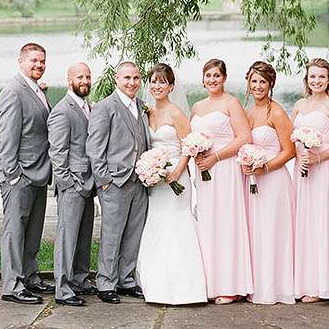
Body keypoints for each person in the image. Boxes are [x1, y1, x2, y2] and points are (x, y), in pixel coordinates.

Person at [136, 64, 207, 305]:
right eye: (153, 82)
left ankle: (184, 288)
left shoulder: (176, 113)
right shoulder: (147, 112)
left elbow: (189, 145)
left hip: (177, 177)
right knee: (157, 226)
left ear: (171, 86)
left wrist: (177, 170)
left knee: (177, 226)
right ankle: (156, 285)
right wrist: (150, 168)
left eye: (162, 82)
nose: (157, 86)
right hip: (155, 180)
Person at [86, 61, 151, 304]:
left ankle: (126, 280)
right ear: (116, 79)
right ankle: (106, 283)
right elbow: (95, 148)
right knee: (112, 235)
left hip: (140, 181)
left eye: (135, 78)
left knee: (134, 233)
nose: (132, 82)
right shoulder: (104, 107)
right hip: (115, 182)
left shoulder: (142, 106)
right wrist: (104, 181)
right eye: (127, 78)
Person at [189, 59, 253, 305]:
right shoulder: (196, 107)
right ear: (202, 79)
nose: (212, 80)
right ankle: (209, 282)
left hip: (225, 170)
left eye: (216, 75)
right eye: (208, 75)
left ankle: (230, 285)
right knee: (207, 224)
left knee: (226, 224)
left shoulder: (231, 103)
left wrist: (216, 156)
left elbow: (244, 136)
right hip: (204, 174)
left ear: (224, 78)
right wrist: (196, 153)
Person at [0, 42, 55, 304]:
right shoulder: (13, 91)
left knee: (32, 230)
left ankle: (30, 276)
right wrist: (12, 175)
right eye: (33, 61)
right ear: (20, 62)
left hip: (39, 172)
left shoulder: (36, 90)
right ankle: (13, 285)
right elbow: (7, 138)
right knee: (15, 231)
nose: (38, 65)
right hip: (19, 175)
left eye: (42, 61)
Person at [290, 58, 329, 303]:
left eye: (321, 77)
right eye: (312, 77)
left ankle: (323, 284)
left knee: (322, 222)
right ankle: (305, 282)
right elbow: (292, 137)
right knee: (305, 222)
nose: (317, 81)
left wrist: (318, 157)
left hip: (324, 171)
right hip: (302, 171)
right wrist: (300, 155)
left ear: (328, 80)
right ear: (307, 79)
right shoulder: (299, 105)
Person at [242, 61, 296, 305]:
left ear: (270, 84)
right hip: (253, 183)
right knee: (256, 232)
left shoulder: (277, 112)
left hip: (274, 181)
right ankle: (256, 284)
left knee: (273, 232)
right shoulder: (247, 112)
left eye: (262, 82)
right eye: (254, 81)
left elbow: (289, 151)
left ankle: (276, 287)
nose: (258, 86)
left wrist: (263, 167)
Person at [47, 62, 97, 307]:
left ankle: (80, 280)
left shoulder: (87, 106)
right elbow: (57, 153)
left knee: (83, 235)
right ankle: (63, 289)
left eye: (87, 76)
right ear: (69, 81)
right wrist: (68, 183)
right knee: (67, 237)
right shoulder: (62, 111)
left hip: (89, 182)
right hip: (73, 184)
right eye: (80, 77)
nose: (85, 81)